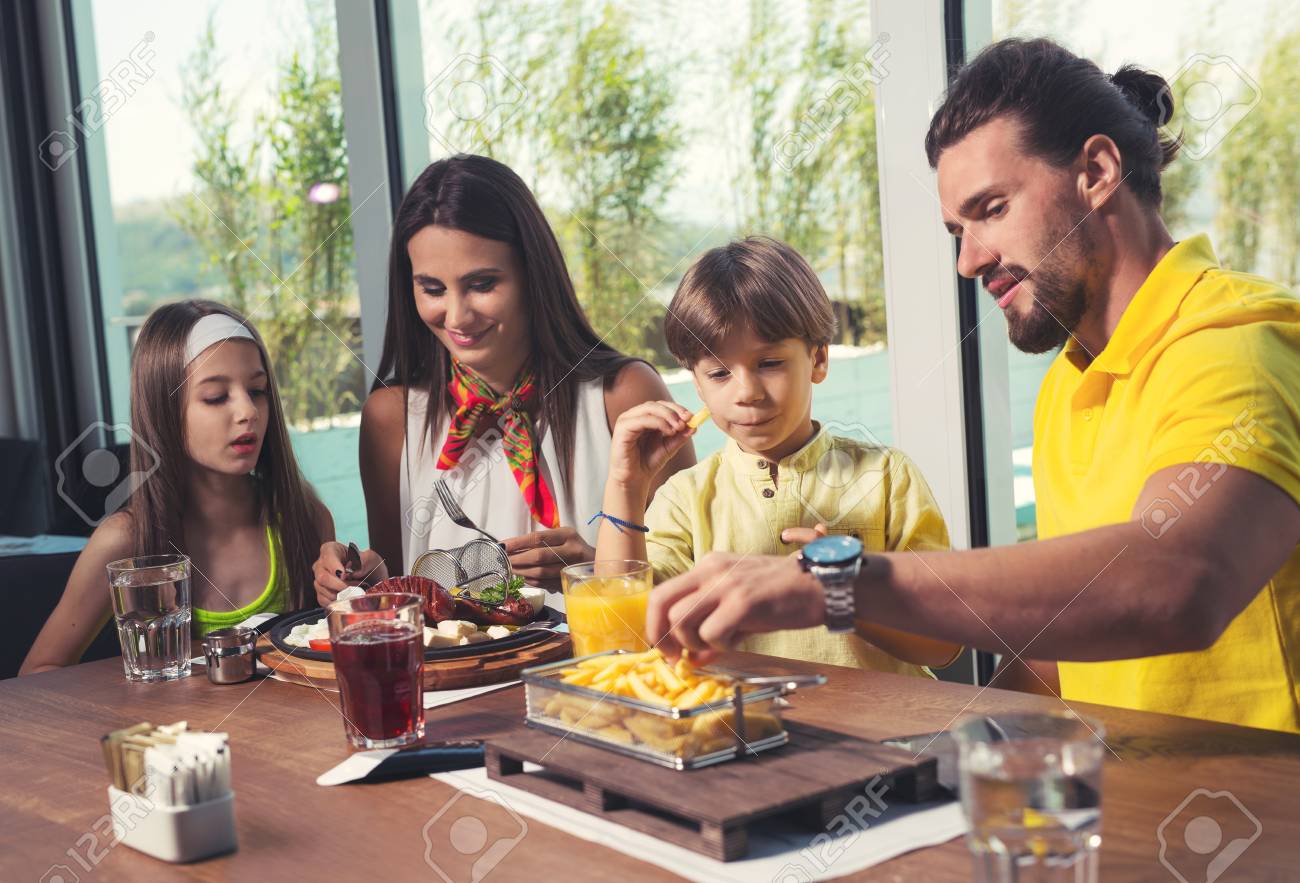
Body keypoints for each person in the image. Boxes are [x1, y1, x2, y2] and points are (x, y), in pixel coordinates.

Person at [646, 38, 1300, 734]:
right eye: (957, 229)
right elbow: (1057, 653)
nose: (968, 260)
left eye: (991, 209)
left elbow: (1180, 580)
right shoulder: (1068, 387)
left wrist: (839, 582)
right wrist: (951, 747)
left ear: (1099, 170)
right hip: (1116, 812)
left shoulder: (1234, 342)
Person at [313, 155, 695, 599]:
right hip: (453, 669)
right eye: (432, 289)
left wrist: (594, 569)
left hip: (596, 668)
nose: (456, 316)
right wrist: (363, 578)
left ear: (533, 274)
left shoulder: (623, 394)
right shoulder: (390, 418)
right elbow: (404, 585)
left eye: (482, 284)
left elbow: (693, 582)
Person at [596, 236, 962, 674]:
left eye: (769, 363)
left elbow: (942, 646)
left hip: (884, 738)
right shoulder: (684, 498)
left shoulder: (887, 478)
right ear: (696, 385)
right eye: (718, 373)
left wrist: (841, 590)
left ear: (819, 360)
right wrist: (625, 488)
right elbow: (624, 635)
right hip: (740, 734)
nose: (746, 392)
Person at [21, 301, 333, 674]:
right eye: (216, 397)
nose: (247, 411)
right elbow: (39, 671)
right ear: (162, 412)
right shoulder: (124, 540)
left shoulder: (304, 517)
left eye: (258, 390)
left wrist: (363, 587)